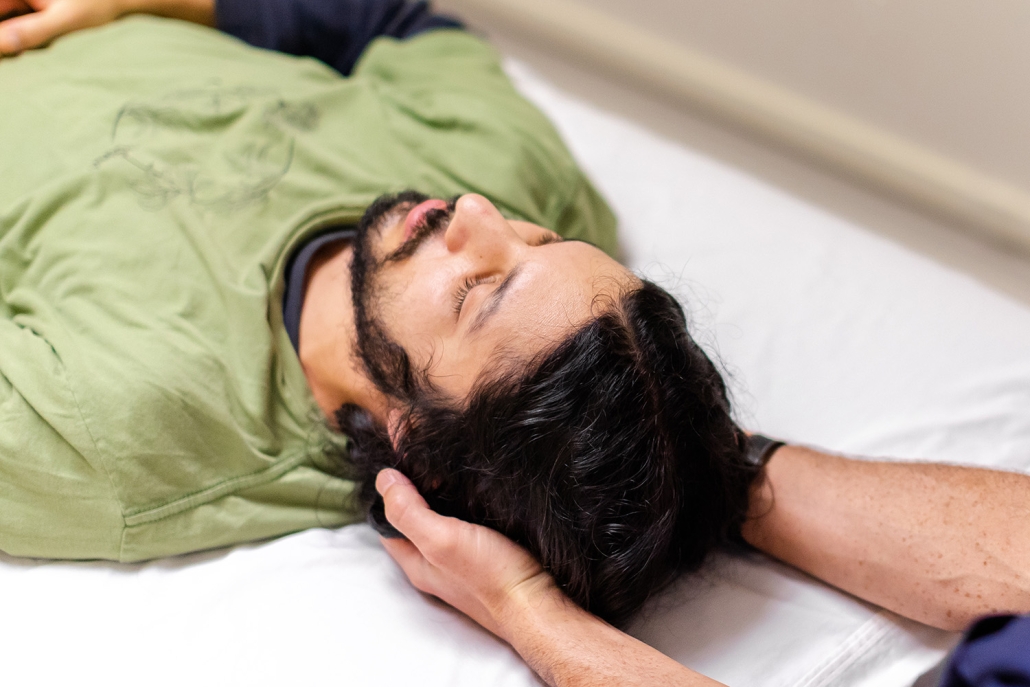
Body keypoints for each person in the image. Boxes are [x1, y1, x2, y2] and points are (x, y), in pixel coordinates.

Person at [1, 2, 1029, 686]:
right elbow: (395, 17)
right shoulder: (508, 172)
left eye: (484, 290)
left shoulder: (116, 430)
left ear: (414, 433)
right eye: (543, 240)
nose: (481, 215)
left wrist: (532, 610)